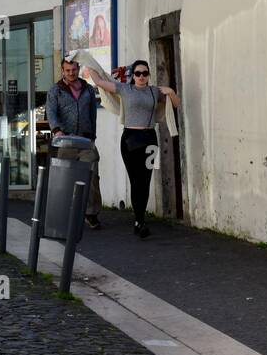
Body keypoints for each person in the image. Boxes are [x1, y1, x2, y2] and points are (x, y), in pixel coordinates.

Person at [91, 60, 180, 238]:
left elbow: (176, 104)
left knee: (146, 180)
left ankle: (140, 221)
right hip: (130, 139)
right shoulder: (125, 89)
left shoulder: (155, 91)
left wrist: (170, 91)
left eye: (145, 73)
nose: (141, 77)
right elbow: (99, 82)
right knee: (135, 180)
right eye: (138, 73)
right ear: (133, 75)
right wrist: (88, 63)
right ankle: (139, 221)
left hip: (150, 139)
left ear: (148, 74)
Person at [45, 57, 102, 229]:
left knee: (91, 177)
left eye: (74, 69)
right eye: (67, 70)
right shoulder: (55, 90)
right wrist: (57, 130)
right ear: (63, 70)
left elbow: (93, 113)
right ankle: (64, 213)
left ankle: (91, 213)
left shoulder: (88, 89)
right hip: (66, 141)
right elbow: (51, 112)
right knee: (65, 179)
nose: (71, 73)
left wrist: (92, 135)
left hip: (85, 141)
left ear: (78, 68)